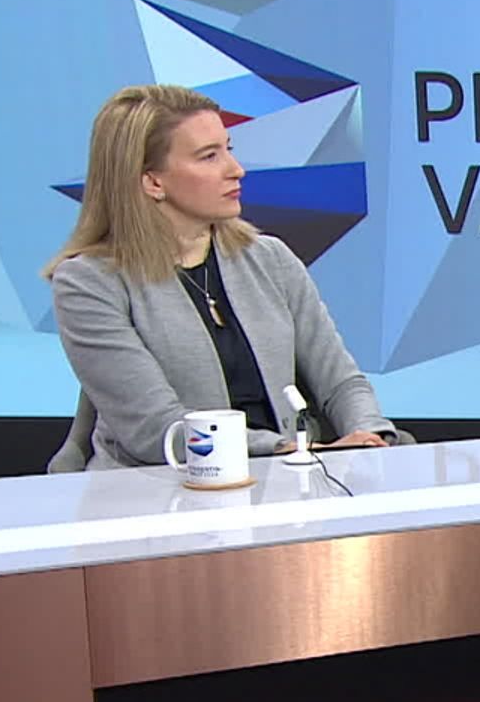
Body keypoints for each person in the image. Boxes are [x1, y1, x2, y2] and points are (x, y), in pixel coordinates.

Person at [46, 85, 395, 469]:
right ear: (152, 181)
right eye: (209, 156)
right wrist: (286, 450)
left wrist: (369, 439)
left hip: (293, 476)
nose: (236, 169)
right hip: (162, 488)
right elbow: (158, 431)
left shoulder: (270, 259)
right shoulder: (88, 283)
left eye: (229, 149)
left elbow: (341, 382)